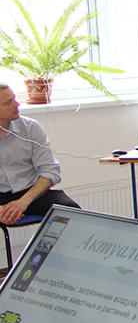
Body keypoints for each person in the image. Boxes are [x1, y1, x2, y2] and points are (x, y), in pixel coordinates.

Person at [0, 82, 80, 226]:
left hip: (30, 193)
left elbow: (50, 171)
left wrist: (23, 202)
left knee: (71, 211)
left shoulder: (30, 127)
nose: (17, 104)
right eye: (8, 102)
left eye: (14, 99)